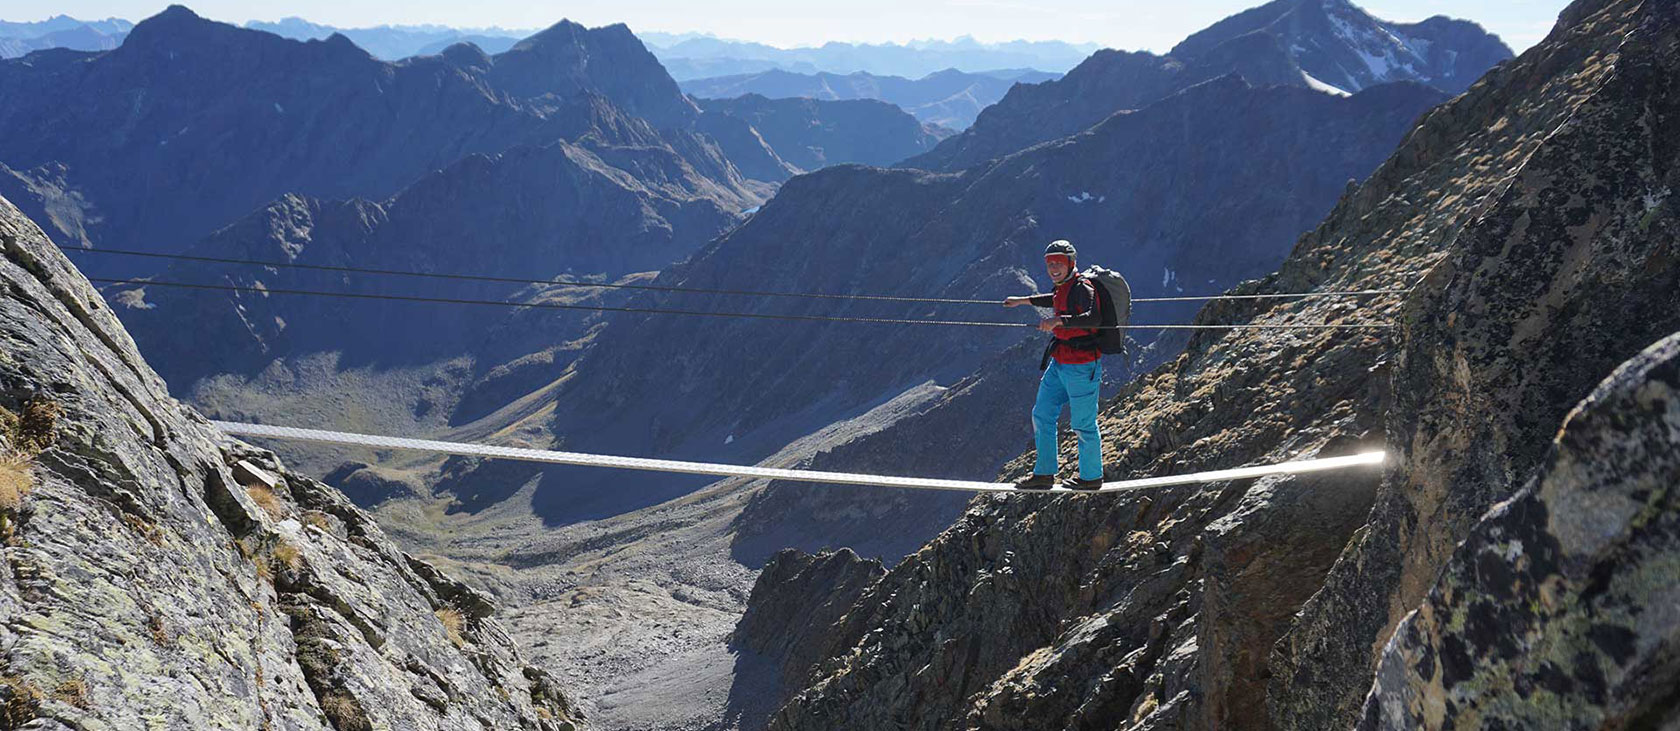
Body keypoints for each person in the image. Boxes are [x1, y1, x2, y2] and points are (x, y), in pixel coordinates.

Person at [1003, 240, 1104, 490]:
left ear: (1071, 263)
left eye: (1059, 261)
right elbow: (1054, 299)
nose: (1054, 266)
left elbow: (1094, 318)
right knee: (1042, 414)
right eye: (1050, 263)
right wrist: (1022, 301)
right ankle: (1044, 474)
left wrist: (1059, 321)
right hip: (1059, 363)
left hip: (1082, 366)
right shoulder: (1063, 287)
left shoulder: (1083, 287)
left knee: (1082, 424)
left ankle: (1091, 477)